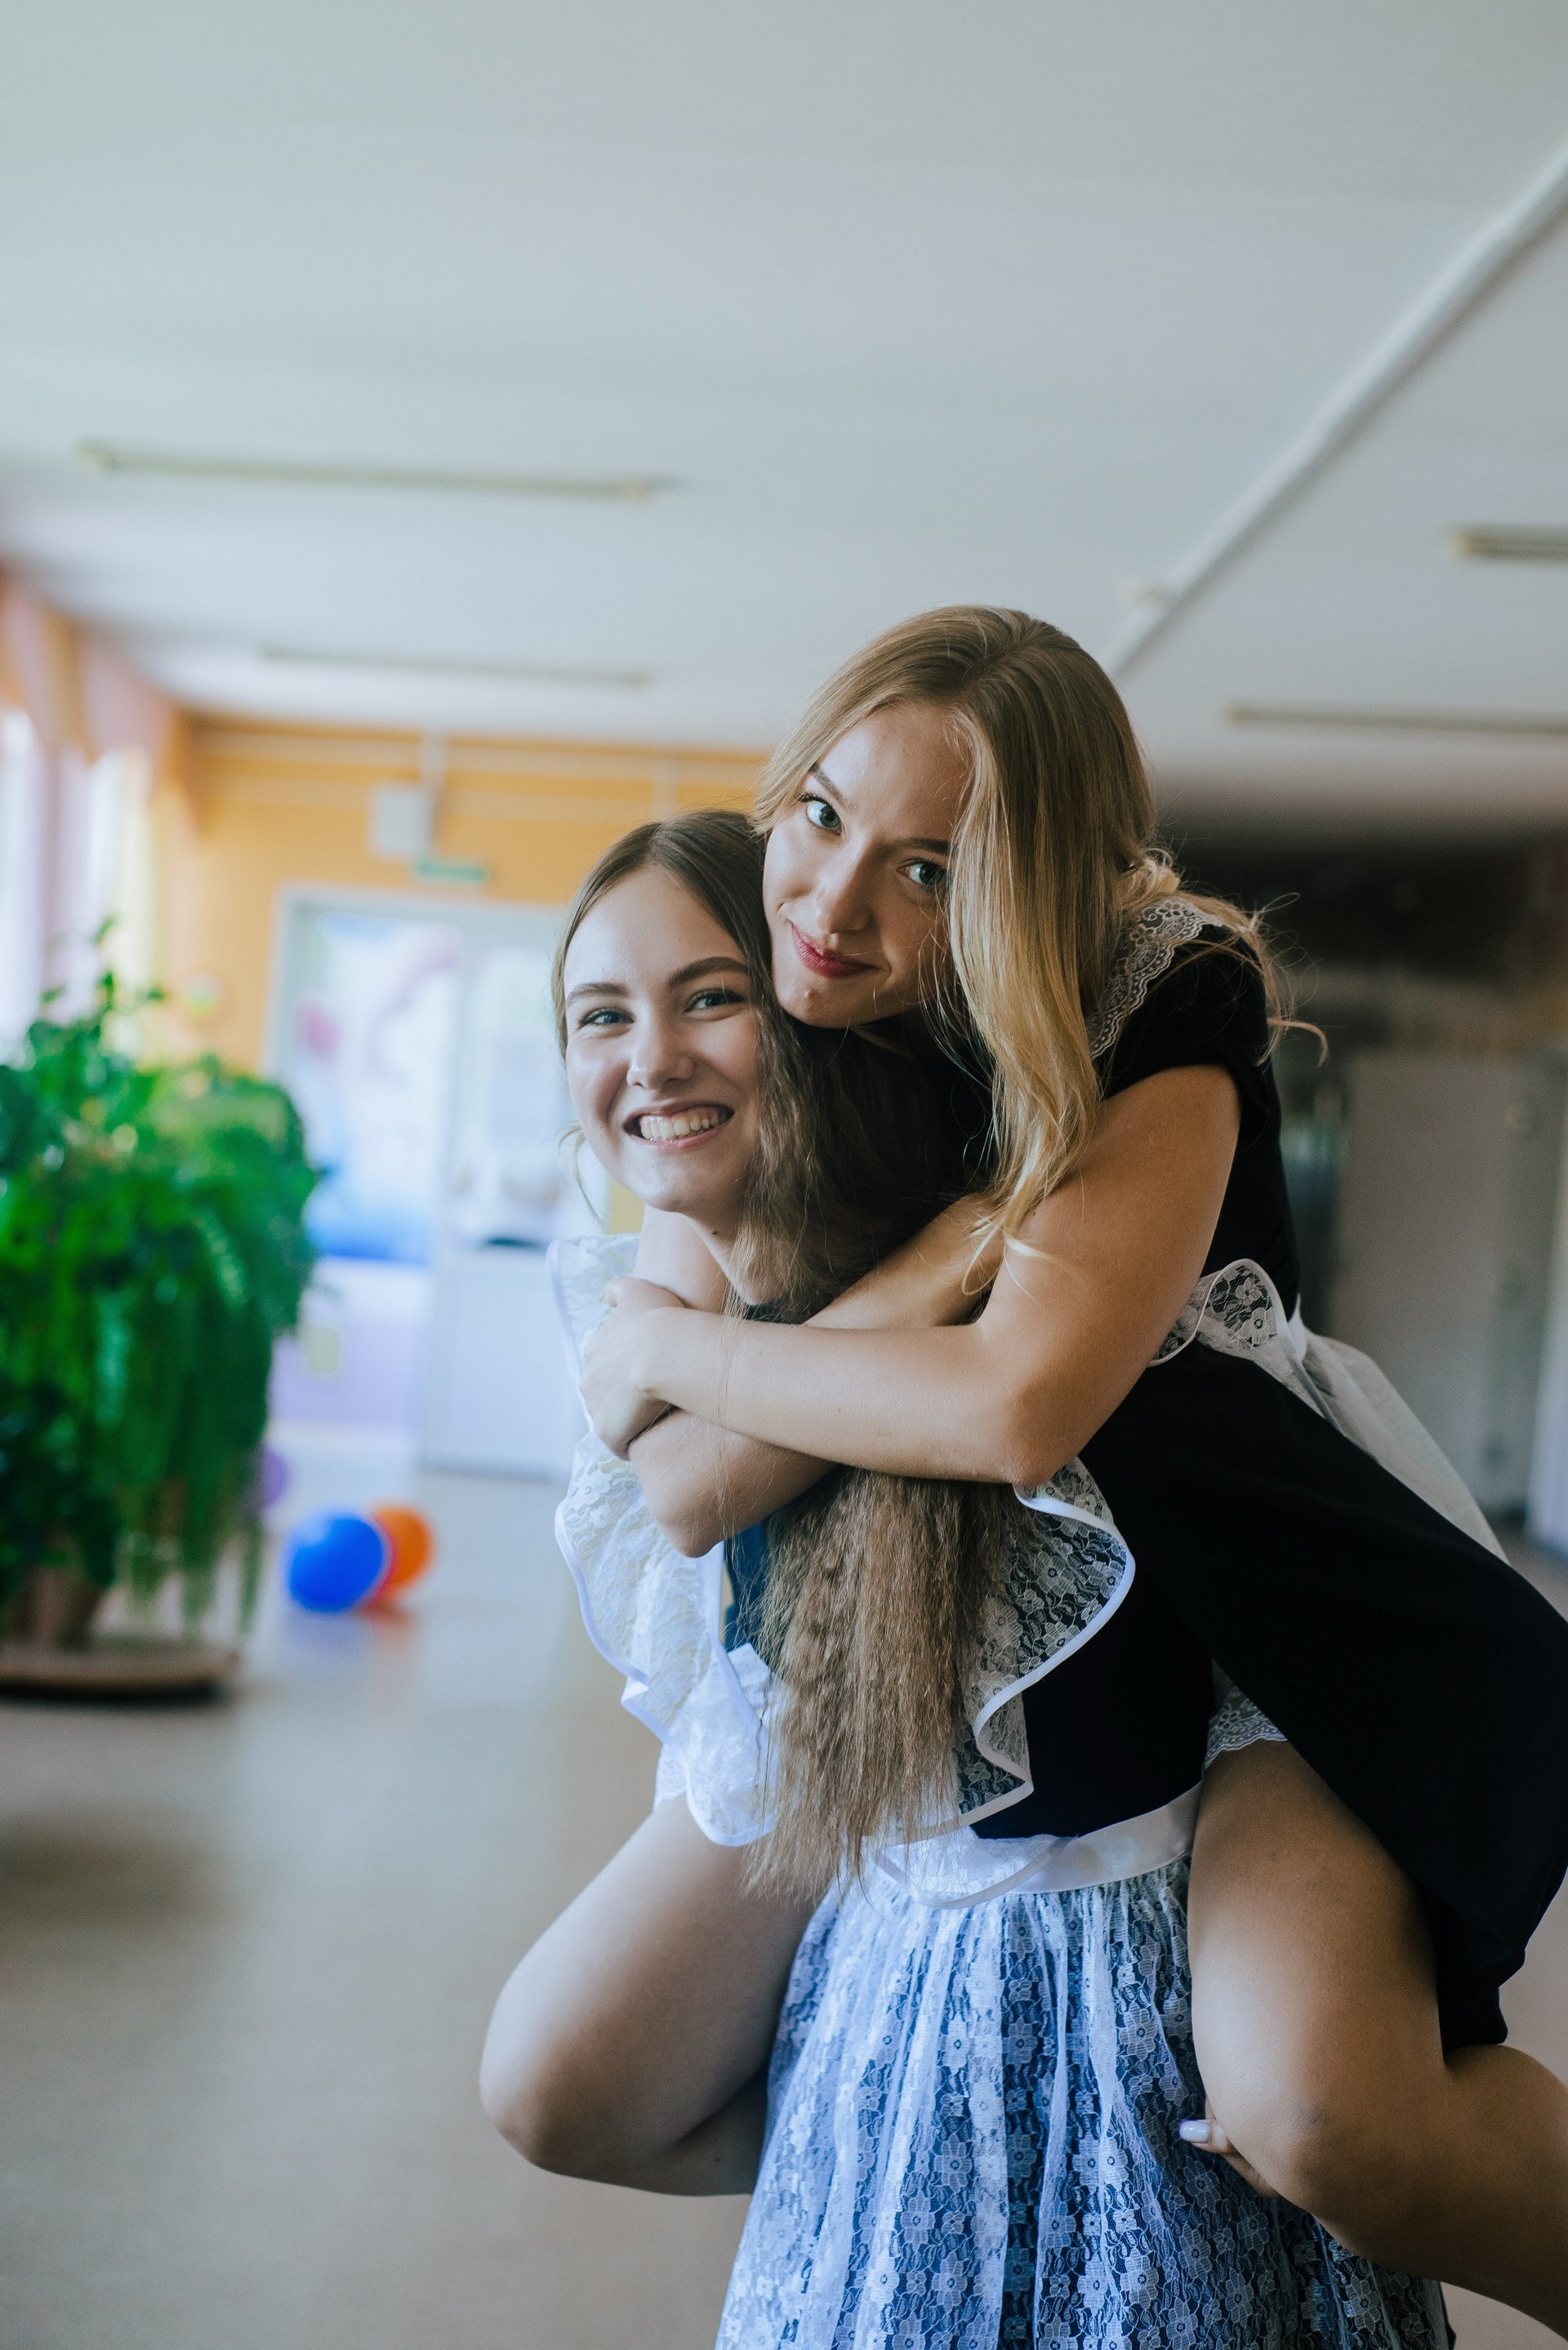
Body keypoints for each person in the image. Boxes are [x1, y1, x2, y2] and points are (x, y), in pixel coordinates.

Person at [564, 610, 1568, 2336]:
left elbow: (1017, 1401)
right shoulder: (779, 990)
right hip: (989, 1649)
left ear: (1026, 889)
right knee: (563, 2077)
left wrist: (669, 1355)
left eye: (928, 867)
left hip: (1265, 1613)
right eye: (820, 813)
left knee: (1320, 2108)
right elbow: (686, 1484)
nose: (834, 901)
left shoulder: (1160, 994)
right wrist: (936, 1259)